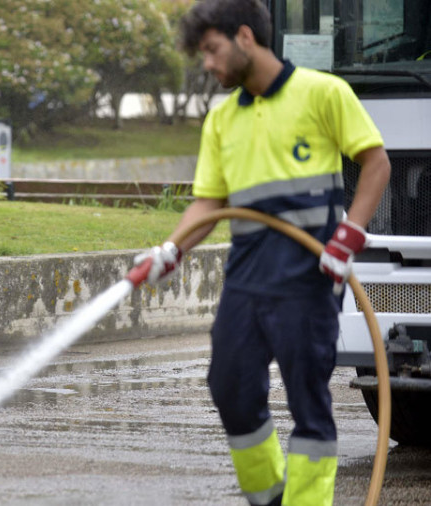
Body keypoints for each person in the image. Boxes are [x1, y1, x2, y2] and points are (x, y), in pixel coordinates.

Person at [132, 1, 392, 505]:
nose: (207, 65)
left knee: (308, 404)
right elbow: (208, 204)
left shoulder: (322, 93)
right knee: (229, 387)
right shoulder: (222, 119)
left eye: (211, 50)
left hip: (309, 275)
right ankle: (269, 497)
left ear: (245, 37)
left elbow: (376, 163)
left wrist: (349, 236)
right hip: (248, 276)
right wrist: (169, 251)